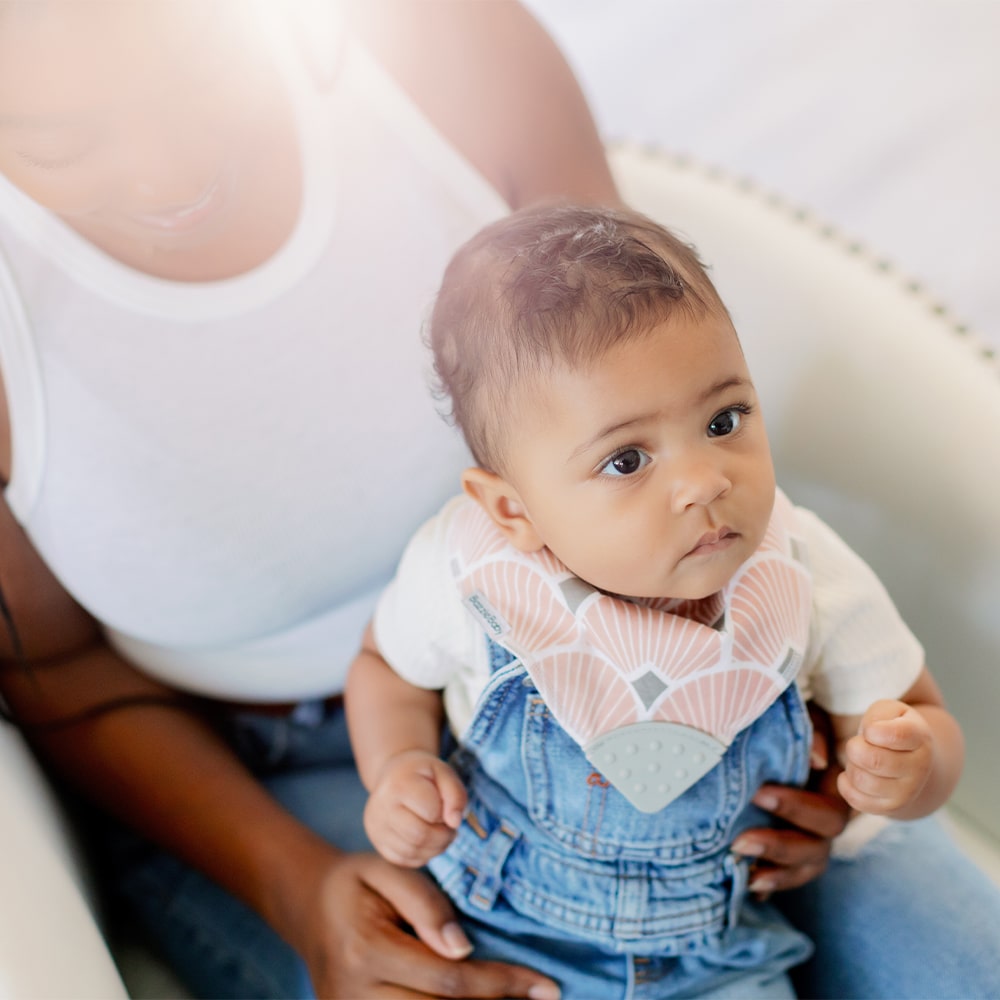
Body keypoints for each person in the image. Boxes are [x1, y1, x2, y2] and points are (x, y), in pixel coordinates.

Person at [0, 2, 997, 999]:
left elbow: (654, 364)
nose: (164, 172)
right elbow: (56, 673)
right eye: (60, 137)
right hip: (268, 768)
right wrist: (301, 889)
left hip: (709, 714)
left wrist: (858, 775)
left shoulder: (443, 57)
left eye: (199, 77)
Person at [345, 203, 964, 998]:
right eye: (628, 459)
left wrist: (909, 770)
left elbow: (924, 715)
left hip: (714, 962)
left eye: (724, 418)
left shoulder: (803, 572)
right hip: (489, 937)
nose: (706, 480)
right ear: (513, 511)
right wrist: (396, 767)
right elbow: (384, 668)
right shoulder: (471, 576)